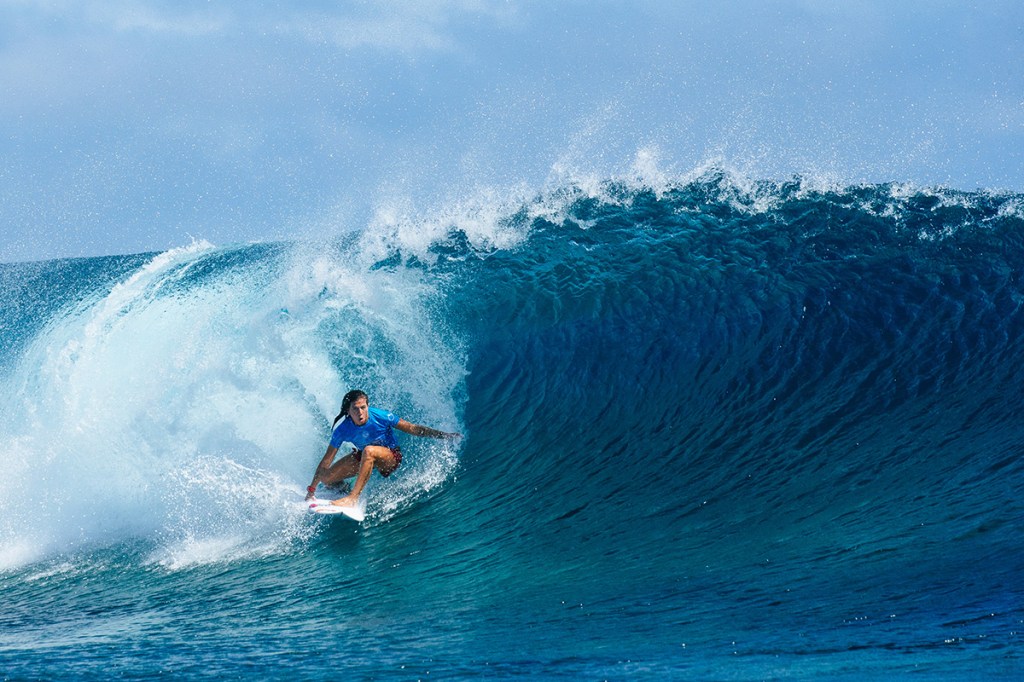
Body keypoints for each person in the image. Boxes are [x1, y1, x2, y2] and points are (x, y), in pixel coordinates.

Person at [306, 389, 460, 508]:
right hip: (364, 456)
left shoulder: (381, 416)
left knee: (369, 451)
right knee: (326, 478)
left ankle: (352, 498)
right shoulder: (342, 430)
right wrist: (311, 490)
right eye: (355, 409)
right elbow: (326, 460)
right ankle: (344, 489)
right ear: (348, 411)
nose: (360, 412)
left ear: (367, 405)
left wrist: (444, 435)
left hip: (390, 457)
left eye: (363, 407)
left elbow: (412, 428)